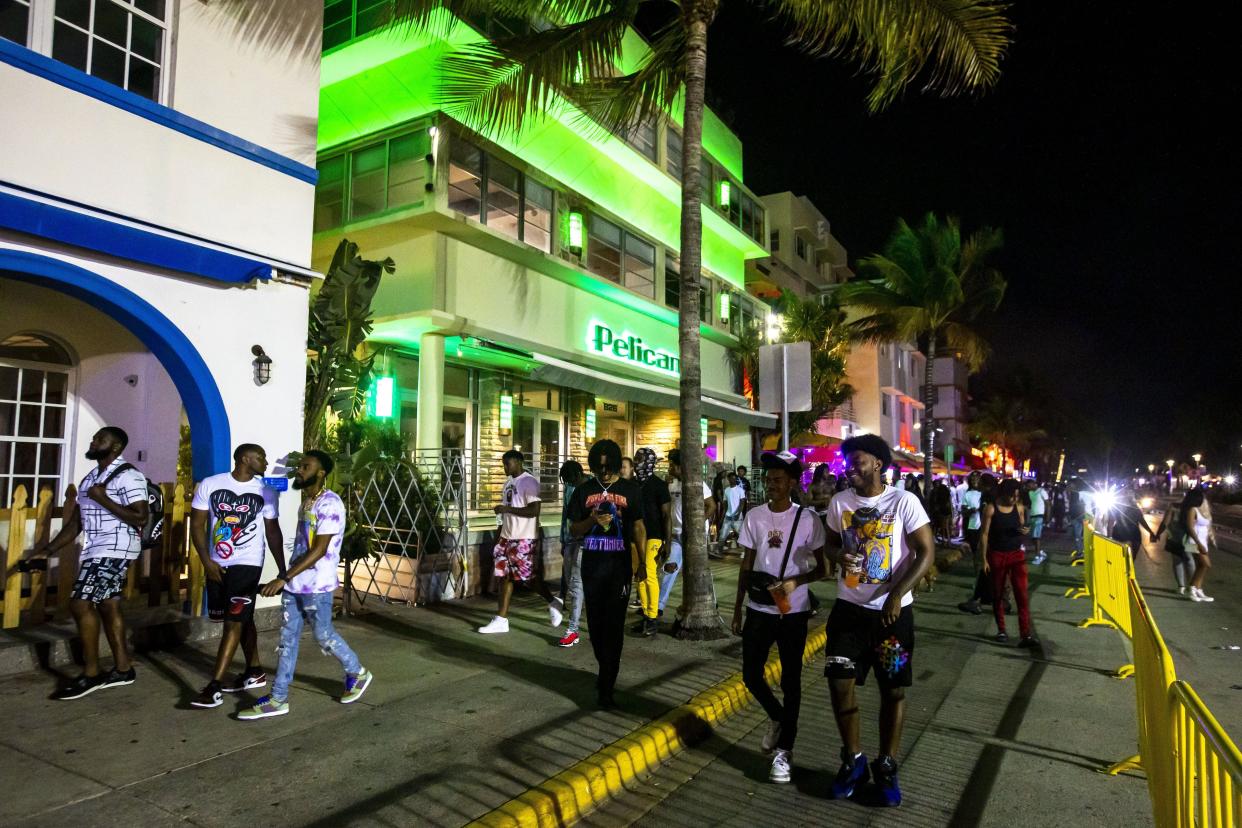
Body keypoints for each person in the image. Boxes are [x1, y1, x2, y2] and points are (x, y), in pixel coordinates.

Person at [824, 434, 935, 807]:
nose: (850, 468)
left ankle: (886, 764)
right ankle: (853, 760)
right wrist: (838, 554)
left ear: (877, 464)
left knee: (893, 689)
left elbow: (925, 552)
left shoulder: (904, 501)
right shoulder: (840, 502)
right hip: (848, 613)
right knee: (840, 683)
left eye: (857, 461)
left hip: (892, 619)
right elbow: (829, 543)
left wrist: (895, 595)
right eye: (848, 462)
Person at [239, 451, 371, 719]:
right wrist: (287, 577)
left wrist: (283, 577)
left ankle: (357, 672)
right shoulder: (308, 502)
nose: (299, 470)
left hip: (317, 586)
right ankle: (278, 699)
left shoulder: (330, 504)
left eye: (306, 466)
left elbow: (319, 549)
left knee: (323, 635)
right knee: (287, 641)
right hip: (295, 584)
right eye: (300, 466)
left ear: (321, 472)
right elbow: (301, 546)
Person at [29, 428, 150, 700]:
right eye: (94, 438)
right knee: (108, 604)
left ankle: (92, 674)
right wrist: (47, 551)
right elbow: (77, 522)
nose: (94, 442)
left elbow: (141, 517)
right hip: (96, 549)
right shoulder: (91, 479)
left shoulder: (129, 476)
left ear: (116, 446)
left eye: (100, 439)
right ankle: (122, 669)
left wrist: (102, 498)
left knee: (80, 603)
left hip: (115, 548)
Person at [731, 451, 826, 783]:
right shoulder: (755, 517)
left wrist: (796, 581)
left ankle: (785, 751)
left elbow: (823, 569)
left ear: (791, 483)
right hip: (759, 609)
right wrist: (737, 608)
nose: (771, 485)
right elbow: (746, 563)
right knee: (751, 676)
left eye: (778, 480)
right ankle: (778, 717)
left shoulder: (808, 520)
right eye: (768, 479)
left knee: (791, 681)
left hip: (793, 613)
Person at [189, 444, 284, 709]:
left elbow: (272, 531)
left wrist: (282, 570)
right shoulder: (210, 484)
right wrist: (207, 562)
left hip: (248, 563)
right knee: (239, 618)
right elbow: (196, 524)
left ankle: (214, 686)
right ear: (245, 459)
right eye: (261, 457)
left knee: (234, 622)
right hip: (218, 563)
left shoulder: (266, 490)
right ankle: (254, 670)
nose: (265, 462)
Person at [566, 439, 646, 708]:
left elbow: (639, 528)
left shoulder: (630, 490)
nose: (603, 472)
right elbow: (573, 530)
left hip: (619, 569)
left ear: (614, 463)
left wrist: (643, 563)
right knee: (597, 629)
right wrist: (593, 520)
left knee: (614, 627)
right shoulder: (583, 490)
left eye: (607, 466)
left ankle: (607, 685)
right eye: (598, 467)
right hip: (592, 567)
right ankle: (605, 670)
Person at [478, 450, 563, 634]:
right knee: (504, 577)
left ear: (518, 462)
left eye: (507, 463)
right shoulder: (508, 483)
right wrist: (498, 537)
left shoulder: (529, 481)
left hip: (524, 537)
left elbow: (534, 510)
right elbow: (504, 515)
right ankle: (501, 619)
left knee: (527, 579)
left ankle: (553, 601)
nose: (504, 467)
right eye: (503, 464)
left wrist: (507, 508)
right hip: (507, 537)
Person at [657, 449, 714, 620]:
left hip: (694, 537)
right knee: (669, 568)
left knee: (699, 571)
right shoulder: (671, 484)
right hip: (676, 535)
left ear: (681, 467)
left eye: (672, 465)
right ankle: (659, 606)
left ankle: (710, 601)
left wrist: (697, 524)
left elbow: (711, 506)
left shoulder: (698, 484)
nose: (670, 468)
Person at [980, 479, 1037, 646]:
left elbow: (1021, 528)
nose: (1014, 499)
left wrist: (1024, 530)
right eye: (1012, 496)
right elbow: (984, 534)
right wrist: (983, 559)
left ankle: (1025, 634)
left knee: (1022, 594)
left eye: (1017, 496)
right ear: (1003, 494)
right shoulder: (991, 509)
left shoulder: (1018, 508)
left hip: (1016, 555)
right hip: (997, 554)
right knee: (998, 594)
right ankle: (1001, 630)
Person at [631, 448, 670, 637]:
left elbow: (666, 515)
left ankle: (653, 618)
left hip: (654, 535)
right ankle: (646, 615)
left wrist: (667, 542)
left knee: (650, 576)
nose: (635, 461)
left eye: (639, 459)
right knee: (639, 577)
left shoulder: (659, 485)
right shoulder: (632, 484)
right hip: (634, 536)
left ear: (648, 462)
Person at [557, 460, 586, 647]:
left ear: (576, 476)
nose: (568, 485)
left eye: (569, 481)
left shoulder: (591, 488)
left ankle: (573, 629)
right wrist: (563, 539)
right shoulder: (570, 489)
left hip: (586, 542)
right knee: (573, 582)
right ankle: (574, 627)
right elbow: (566, 514)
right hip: (571, 540)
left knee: (577, 584)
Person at [1182, 487, 1215, 602]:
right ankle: (1192, 589)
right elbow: (1190, 527)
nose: (1203, 499)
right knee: (1206, 564)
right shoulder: (1192, 510)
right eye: (1201, 497)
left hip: (1202, 542)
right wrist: (1198, 543)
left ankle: (1198, 589)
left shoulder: (1200, 509)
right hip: (1194, 542)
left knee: (1202, 565)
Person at [808, 465, 838, 577]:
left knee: (832, 541)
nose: (828, 473)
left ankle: (832, 570)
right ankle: (826, 570)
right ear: (821, 472)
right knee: (823, 543)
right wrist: (821, 502)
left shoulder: (831, 485)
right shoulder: (813, 486)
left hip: (830, 515)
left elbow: (836, 499)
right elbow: (808, 501)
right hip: (819, 515)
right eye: (826, 471)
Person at [712, 472, 747, 558]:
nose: (733, 480)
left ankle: (746, 552)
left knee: (741, 535)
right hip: (728, 516)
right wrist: (723, 516)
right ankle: (719, 552)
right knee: (722, 535)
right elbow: (725, 504)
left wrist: (738, 514)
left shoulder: (740, 490)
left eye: (735, 478)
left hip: (737, 517)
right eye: (731, 478)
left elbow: (742, 504)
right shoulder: (726, 490)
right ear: (728, 479)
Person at [1025, 479, 1051, 566]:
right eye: (1027, 487)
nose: (1028, 488)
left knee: (1036, 537)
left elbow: (1048, 504)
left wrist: (1047, 517)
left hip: (1040, 516)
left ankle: (1038, 556)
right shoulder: (1030, 493)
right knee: (1033, 537)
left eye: (1029, 486)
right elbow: (1032, 504)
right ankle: (1040, 553)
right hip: (1033, 516)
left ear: (1033, 484)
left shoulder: (1042, 491)